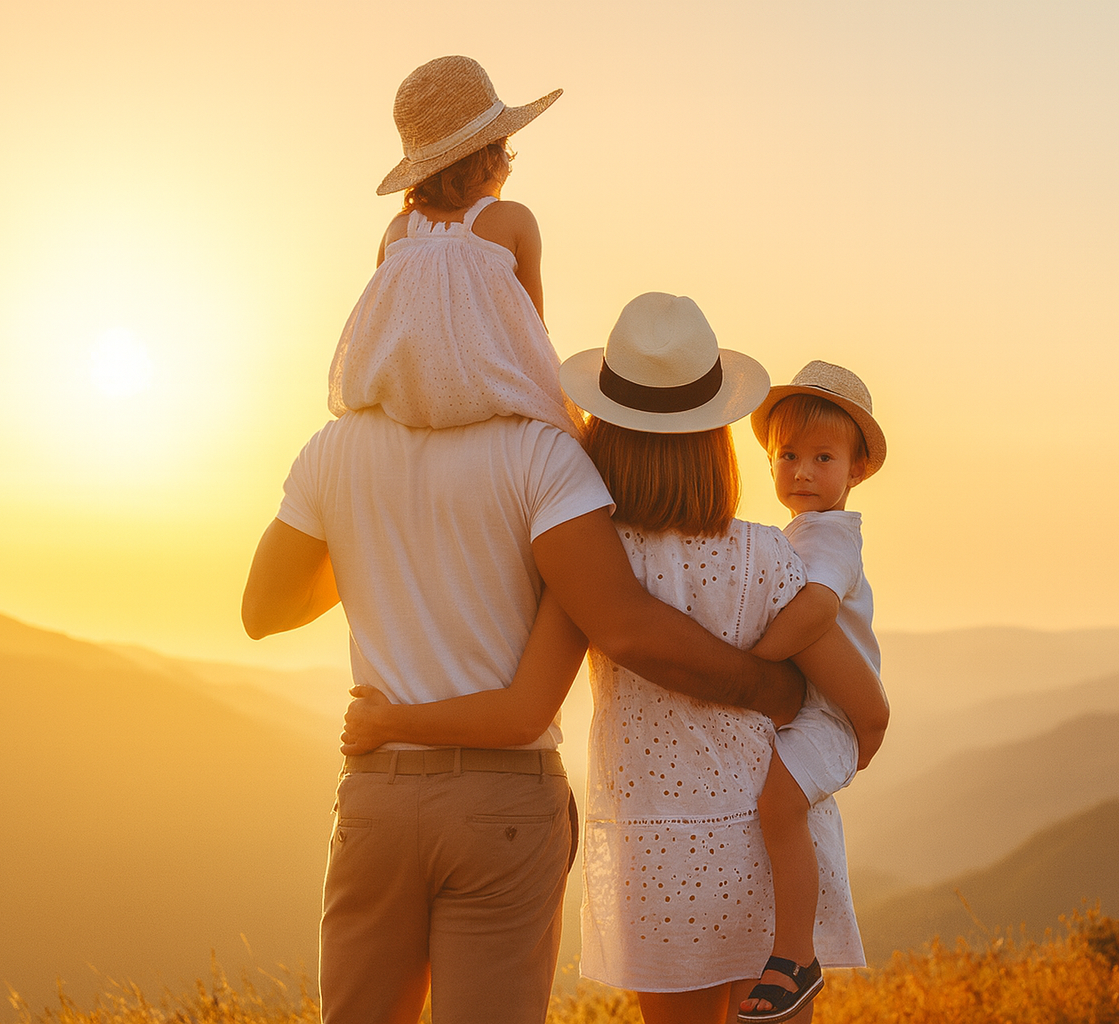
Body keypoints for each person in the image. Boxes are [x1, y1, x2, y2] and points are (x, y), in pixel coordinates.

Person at [240, 59, 808, 1024]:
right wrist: (769, 688)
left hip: (374, 796)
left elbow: (263, 611)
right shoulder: (543, 460)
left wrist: (384, 537)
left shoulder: (335, 452)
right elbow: (621, 624)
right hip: (500, 805)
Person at [558, 293, 871, 1024]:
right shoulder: (771, 556)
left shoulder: (595, 562)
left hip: (660, 859)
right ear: (717, 438)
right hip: (765, 848)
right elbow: (858, 697)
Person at [737, 362, 890, 1022]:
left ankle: (795, 956)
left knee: (776, 804)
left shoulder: (831, 537)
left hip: (831, 719)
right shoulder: (798, 534)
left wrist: (751, 660)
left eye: (822, 457)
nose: (801, 472)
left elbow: (818, 609)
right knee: (773, 807)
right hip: (814, 712)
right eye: (787, 456)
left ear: (856, 470)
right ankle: (787, 946)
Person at [327, 54, 581, 436]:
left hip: (400, 409)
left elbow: (382, 330)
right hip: (493, 401)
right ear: (494, 151)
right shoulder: (515, 220)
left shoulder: (397, 232)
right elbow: (533, 335)